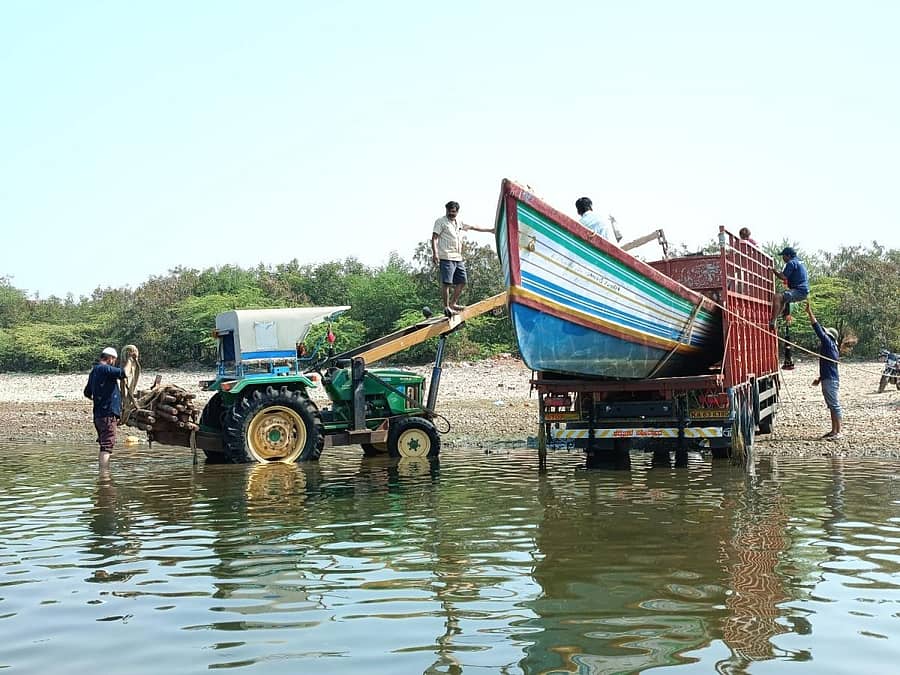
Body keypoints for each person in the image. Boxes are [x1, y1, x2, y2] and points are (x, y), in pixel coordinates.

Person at [431, 201, 493, 315]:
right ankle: (446, 307)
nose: (451, 213)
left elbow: (473, 227)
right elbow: (434, 238)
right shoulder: (441, 222)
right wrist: (435, 253)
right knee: (447, 283)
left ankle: (453, 303)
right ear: (446, 210)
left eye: (453, 212)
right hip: (446, 256)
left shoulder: (459, 222)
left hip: (458, 257)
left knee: (462, 281)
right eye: (449, 211)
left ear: (457, 212)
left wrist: (490, 230)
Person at [83, 347, 127, 472]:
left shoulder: (94, 372)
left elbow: (87, 393)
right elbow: (123, 373)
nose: (114, 362)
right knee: (107, 446)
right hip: (107, 415)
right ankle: (104, 475)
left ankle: (102, 473)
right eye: (114, 360)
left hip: (98, 416)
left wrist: (100, 398)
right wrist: (130, 360)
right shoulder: (105, 368)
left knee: (104, 444)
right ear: (110, 358)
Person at [804, 301, 842, 440]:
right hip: (828, 379)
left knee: (834, 405)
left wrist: (810, 312)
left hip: (830, 381)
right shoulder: (831, 347)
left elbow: (817, 328)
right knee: (831, 406)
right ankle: (834, 431)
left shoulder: (828, 344)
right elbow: (829, 366)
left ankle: (838, 432)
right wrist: (820, 379)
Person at [770, 246, 809, 329]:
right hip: (803, 291)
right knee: (783, 299)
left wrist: (773, 270)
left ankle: (773, 321)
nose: (783, 258)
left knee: (777, 297)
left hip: (799, 291)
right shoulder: (799, 261)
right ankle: (775, 320)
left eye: (783, 256)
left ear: (788, 255)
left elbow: (783, 276)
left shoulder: (791, 263)